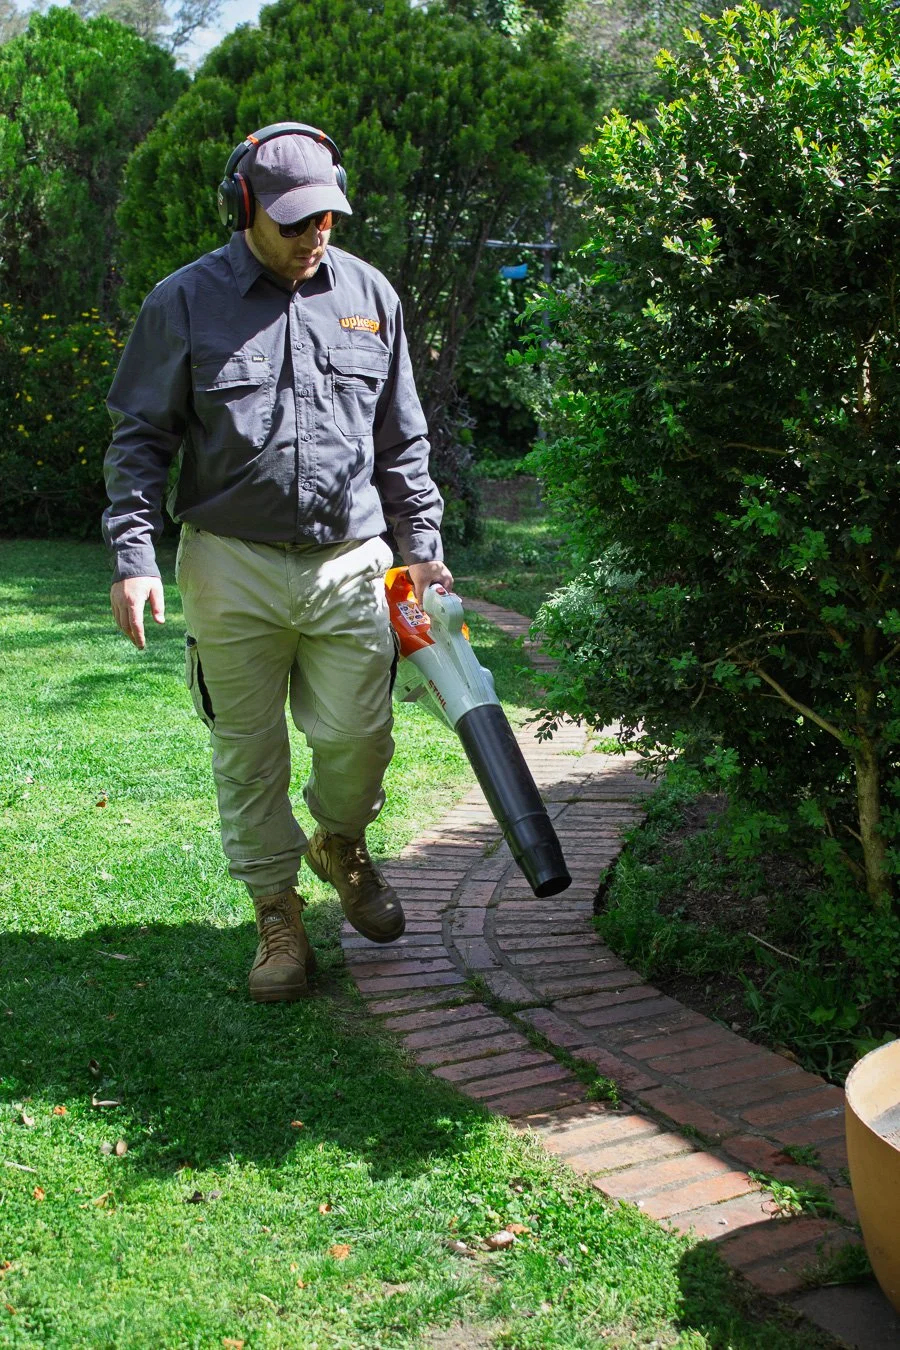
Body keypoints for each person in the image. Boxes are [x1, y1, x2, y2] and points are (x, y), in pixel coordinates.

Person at [102, 121, 452, 1004]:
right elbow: (141, 439)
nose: (313, 237)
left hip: (351, 563)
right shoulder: (182, 302)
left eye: (326, 218)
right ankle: (277, 911)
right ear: (244, 209)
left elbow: (402, 443)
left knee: (358, 738)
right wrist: (134, 556)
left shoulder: (371, 294)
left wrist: (423, 556)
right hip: (232, 565)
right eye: (294, 221)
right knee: (247, 752)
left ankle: (340, 842)